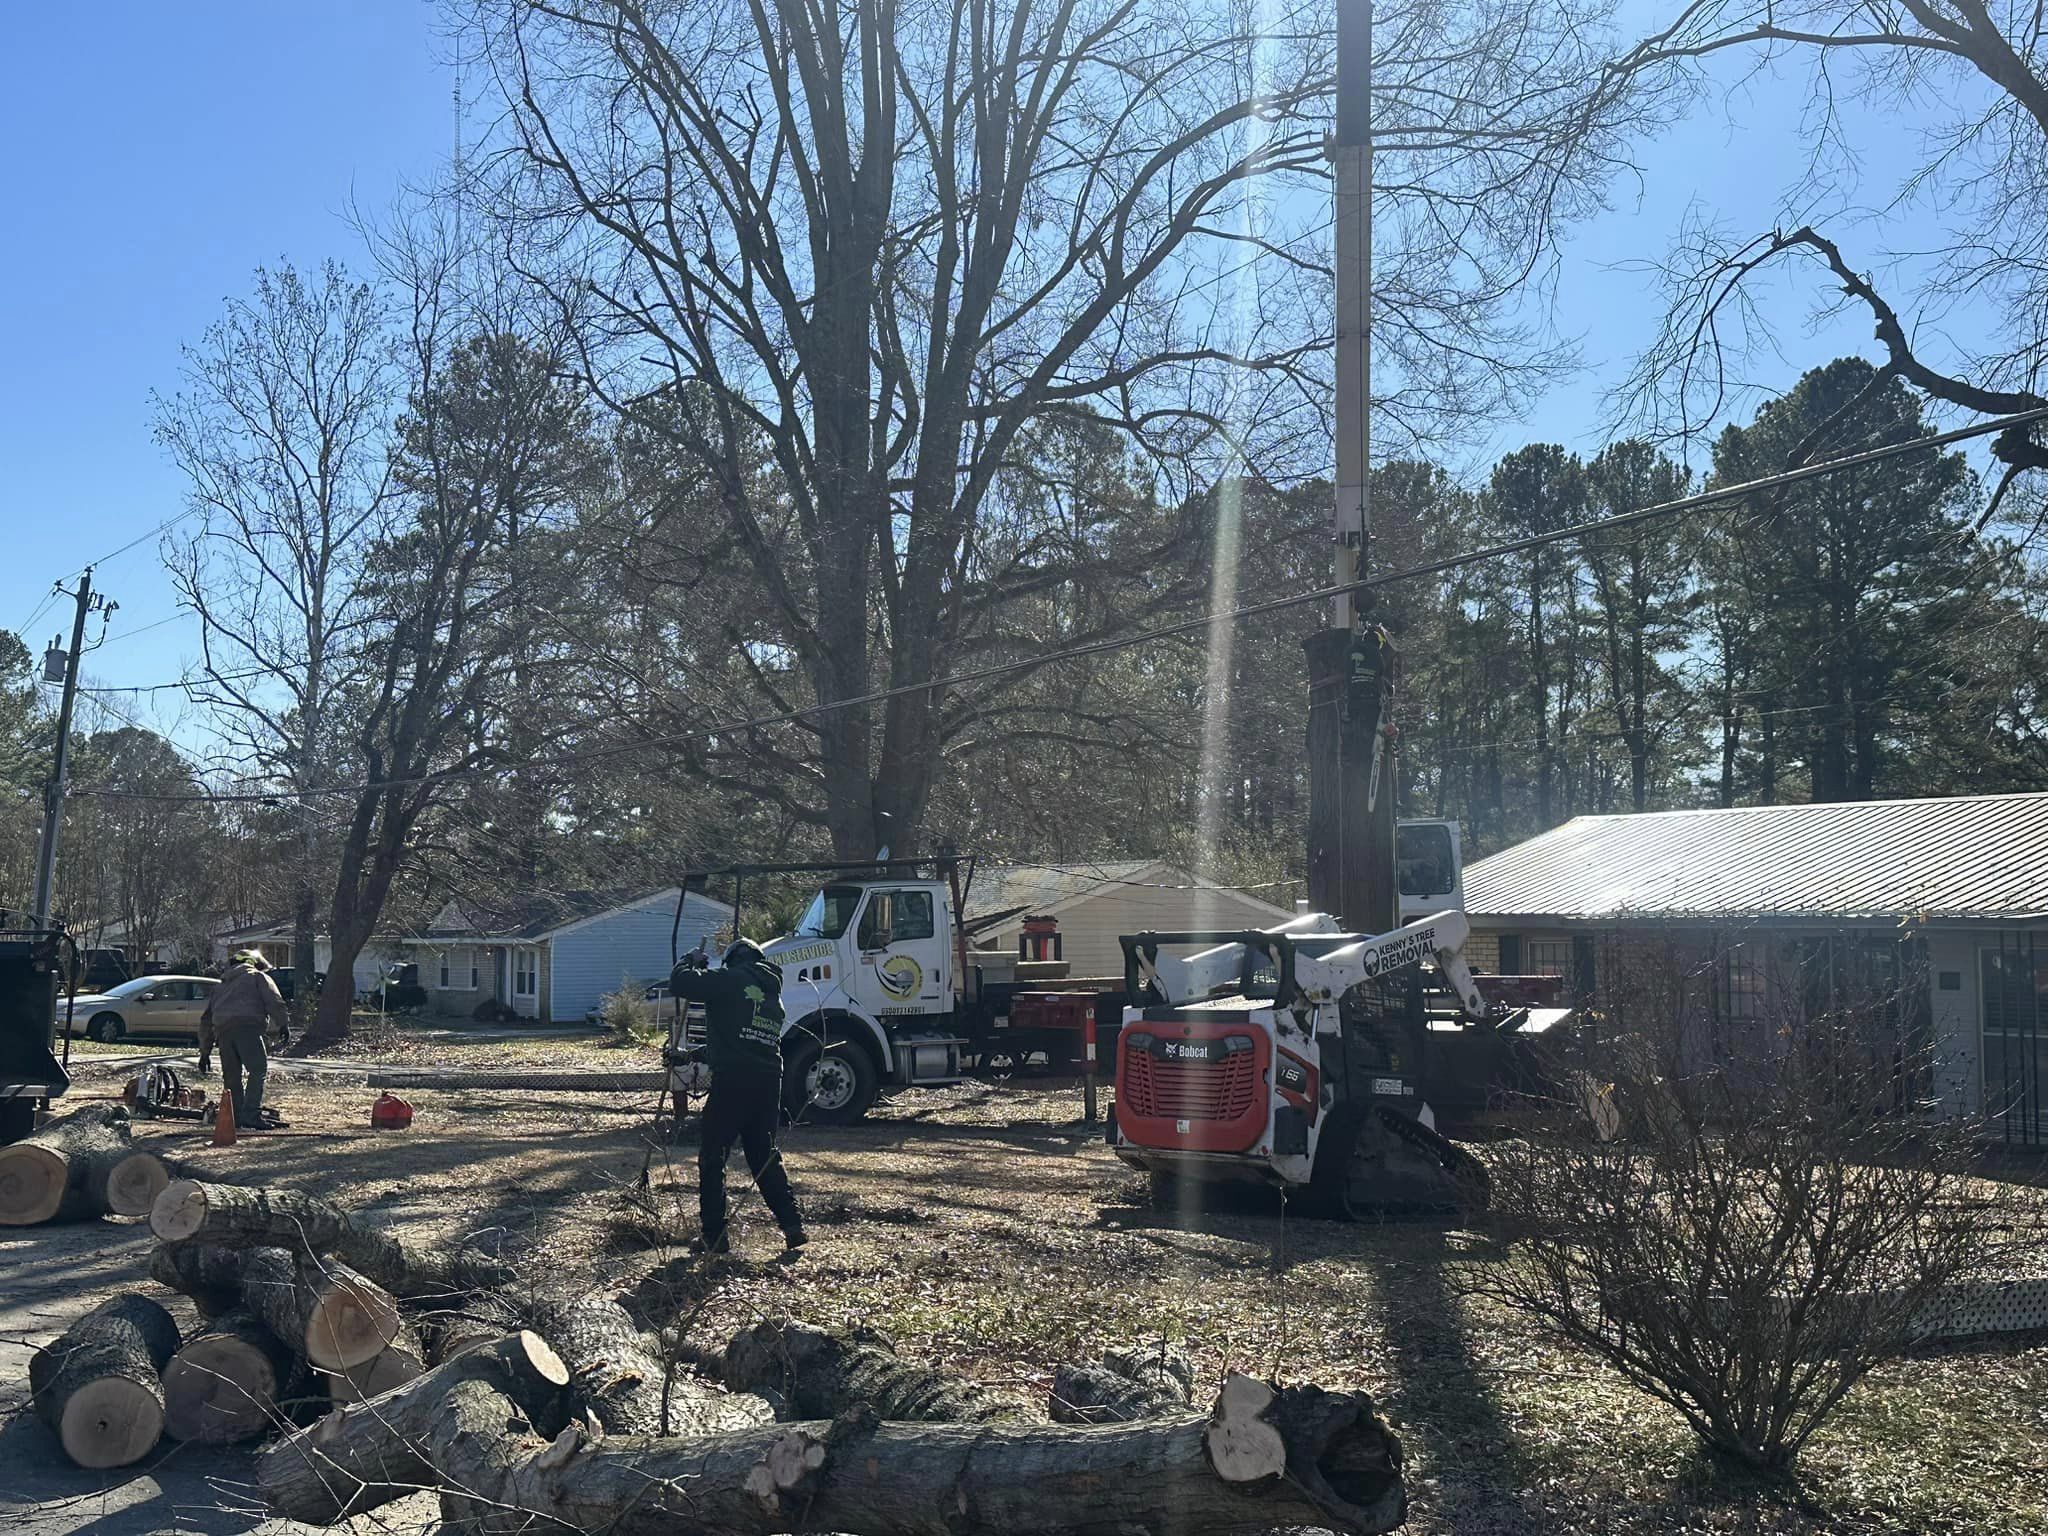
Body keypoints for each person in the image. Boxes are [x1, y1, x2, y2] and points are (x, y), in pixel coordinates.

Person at [668, 936, 806, 1255]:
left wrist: (690, 960)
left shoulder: (732, 978)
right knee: (763, 1155)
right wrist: (690, 1056)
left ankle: (714, 1235)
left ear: (734, 960)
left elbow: (680, 982)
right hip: (768, 1082)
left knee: (713, 1155)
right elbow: (741, 1043)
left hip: (733, 1082)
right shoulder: (772, 994)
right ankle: (792, 1225)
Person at [199, 950, 291, 1130]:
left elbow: (206, 1021)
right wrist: (283, 1024)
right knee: (257, 1070)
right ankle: (251, 1115)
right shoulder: (258, 977)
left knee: (232, 1077)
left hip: (223, 1033)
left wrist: (205, 1053)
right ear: (252, 962)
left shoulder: (220, 986)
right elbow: (273, 1000)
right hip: (248, 1029)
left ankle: (235, 1117)